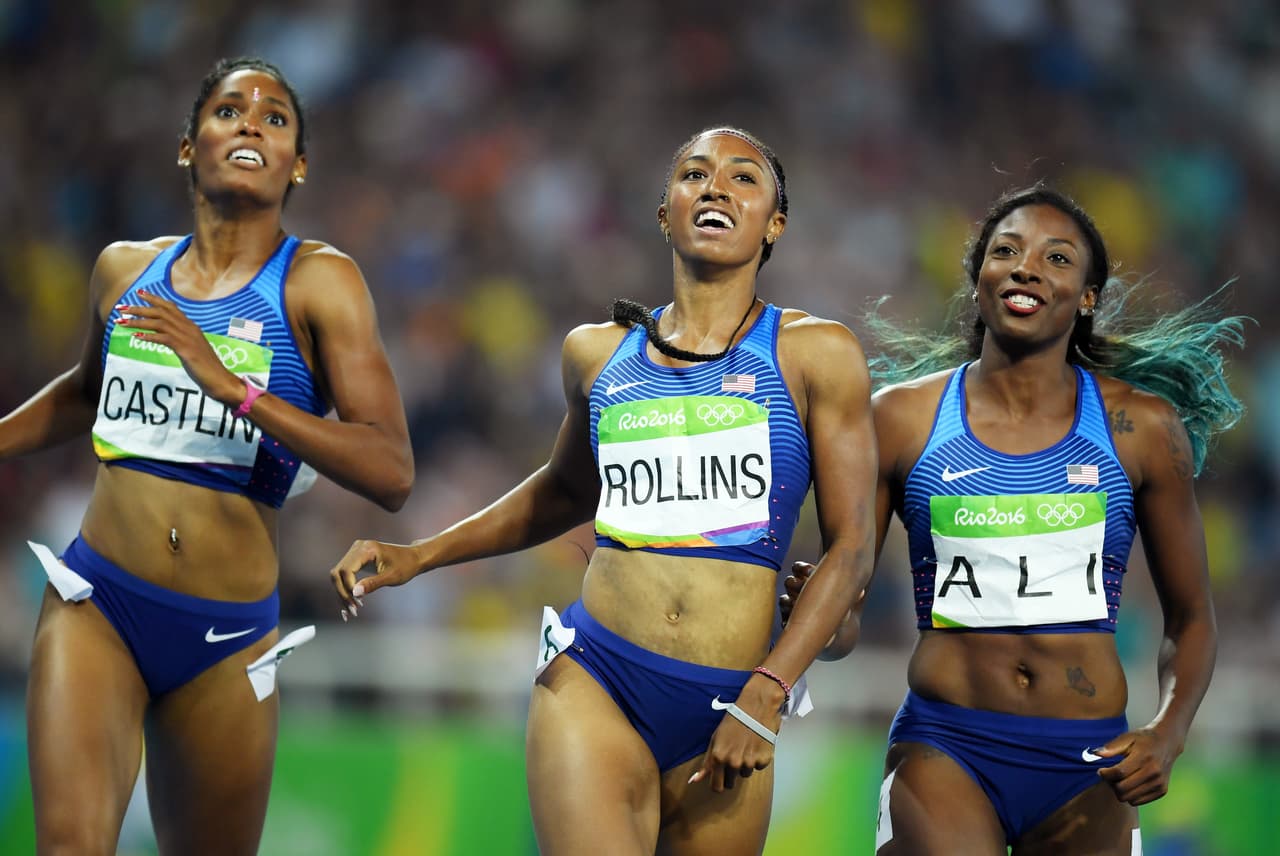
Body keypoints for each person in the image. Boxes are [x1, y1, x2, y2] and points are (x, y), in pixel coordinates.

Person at [329, 126, 878, 855]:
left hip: (735, 698)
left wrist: (770, 691)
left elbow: (854, 547)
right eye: (694, 174)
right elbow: (561, 493)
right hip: (599, 677)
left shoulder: (816, 355)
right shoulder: (596, 353)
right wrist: (420, 556)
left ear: (775, 223)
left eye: (744, 178)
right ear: (664, 212)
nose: (716, 187)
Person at [13, 57, 414, 855]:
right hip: (99, 604)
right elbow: (84, 393)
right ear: (188, 146)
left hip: (225, 639)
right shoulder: (126, 271)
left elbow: (391, 471)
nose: (251, 126)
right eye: (230, 111)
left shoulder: (319, 283)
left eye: (275, 120)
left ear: (297, 164)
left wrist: (234, 389)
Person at [781, 184, 1246, 854]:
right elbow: (844, 624)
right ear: (978, 282)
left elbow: (1193, 618)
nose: (1027, 266)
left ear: (1087, 297)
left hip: (1087, 760)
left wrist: (1168, 734)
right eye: (1006, 251)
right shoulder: (899, 420)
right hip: (946, 749)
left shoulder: (1141, 429)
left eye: (1057, 258)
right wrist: (819, 615)